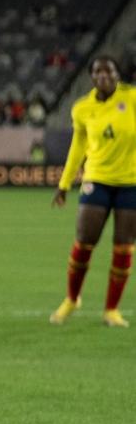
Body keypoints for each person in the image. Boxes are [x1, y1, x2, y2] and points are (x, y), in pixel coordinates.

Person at [49, 56, 136, 327]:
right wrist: (64, 184)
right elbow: (78, 147)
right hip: (96, 179)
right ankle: (71, 300)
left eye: (109, 72)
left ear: (117, 75)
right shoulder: (82, 108)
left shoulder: (132, 98)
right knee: (84, 241)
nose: (104, 76)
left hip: (130, 183)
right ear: (92, 77)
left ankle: (111, 310)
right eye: (98, 72)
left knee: (123, 247)